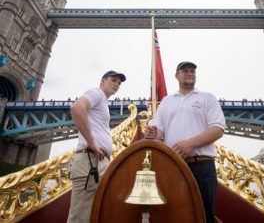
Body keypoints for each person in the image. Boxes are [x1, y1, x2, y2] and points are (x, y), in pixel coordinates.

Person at [145, 61, 226, 223]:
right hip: (173, 166)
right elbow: (157, 134)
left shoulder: (207, 98)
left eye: (192, 71)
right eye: (185, 71)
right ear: (177, 75)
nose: (190, 73)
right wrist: (151, 132)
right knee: (175, 214)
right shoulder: (167, 101)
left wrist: (191, 143)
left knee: (203, 215)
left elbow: (218, 129)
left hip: (202, 166)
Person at [67, 70, 126, 223]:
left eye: (119, 83)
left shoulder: (103, 102)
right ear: (102, 81)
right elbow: (76, 108)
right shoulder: (97, 93)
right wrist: (92, 142)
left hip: (97, 162)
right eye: (113, 80)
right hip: (90, 162)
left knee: (91, 214)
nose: (117, 84)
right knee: (80, 217)